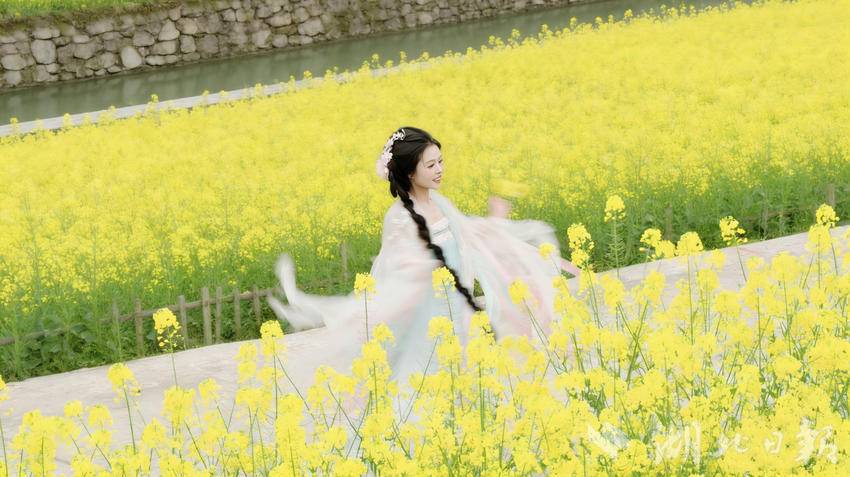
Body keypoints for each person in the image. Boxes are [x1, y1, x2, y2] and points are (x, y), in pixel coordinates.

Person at [267, 126, 580, 388]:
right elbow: (396, 272)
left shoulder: (439, 203)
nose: (439, 170)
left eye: (440, 162)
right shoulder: (399, 218)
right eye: (431, 166)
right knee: (425, 384)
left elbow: (469, 235)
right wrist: (421, 266)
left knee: (467, 380)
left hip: (458, 313)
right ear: (409, 172)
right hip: (425, 320)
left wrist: (495, 219)